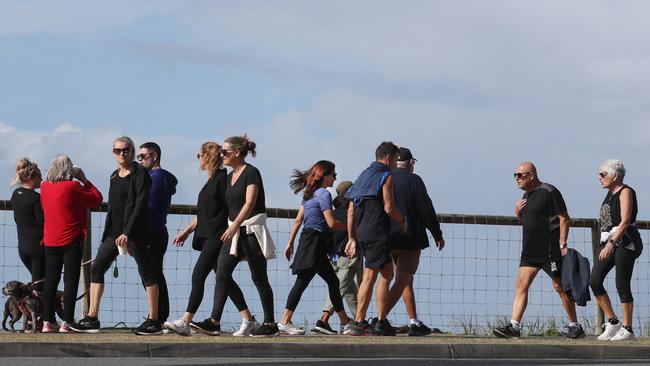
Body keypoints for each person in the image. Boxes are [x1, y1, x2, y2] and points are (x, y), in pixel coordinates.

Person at [70, 136, 162, 335]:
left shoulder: (141, 174)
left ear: (132, 151)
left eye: (126, 150)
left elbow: (140, 204)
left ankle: (154, 321)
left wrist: (128, 233)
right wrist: (106, 236)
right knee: (97, 269)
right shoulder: (113, 175)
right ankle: (92, 318)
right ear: (113, 153)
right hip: (113, 234)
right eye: (118, 150)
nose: (122, 153)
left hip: (135, 233)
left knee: (147, 273)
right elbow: (112, 208)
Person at [164, 142, 258, 336]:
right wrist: (187, 231)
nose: (197, 159)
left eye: (199, 155)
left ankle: (185, 321)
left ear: (207, 157)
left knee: (198, 274)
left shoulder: (222, 179)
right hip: (207, 235)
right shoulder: (211, 181)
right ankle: (249, 319)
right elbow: (205, 213)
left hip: (219, 235)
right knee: (224, 279)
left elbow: (231, 207)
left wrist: (233, 228)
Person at [493, 161, 585, 339]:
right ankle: (514, 326)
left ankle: (575, 326)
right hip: (530, 251)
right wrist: (518, 213)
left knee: (559, 286)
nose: (517, 179)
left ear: (531, 175)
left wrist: (562, 243)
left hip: (549, 249)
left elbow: (564, 218)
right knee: (521, 284)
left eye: (520, 175)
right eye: (515, 176)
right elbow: (529, 222)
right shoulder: (526, 196)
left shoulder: (549, 191)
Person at [212, 134, 279, 337]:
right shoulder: (228, 176)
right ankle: (215, 320)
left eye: (224, 152)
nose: (221, 155)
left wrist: (235, 227)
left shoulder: (251, 173)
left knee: (259, 277)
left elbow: (249, 203)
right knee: (222, 274)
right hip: (233, 230)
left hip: (250, 231)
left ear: (237, 153)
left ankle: (270, 323)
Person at [280, 161, 353, 335]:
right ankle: (284, 322)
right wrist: (352, 230)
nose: (335, 178)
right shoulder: (323, 194)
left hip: (311, 241)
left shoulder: (309, 194)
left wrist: (290, 243)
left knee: (333, 281)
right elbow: (331, 222)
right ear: (324, 176)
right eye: (333, 175)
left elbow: (298, 220)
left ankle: (345, 323)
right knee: (302, 282)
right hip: (314, 242)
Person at [344, 141, 408, 336]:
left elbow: (351, 210)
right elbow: (389, 208)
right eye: (396, 159)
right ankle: (363, 322)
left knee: (385, 272)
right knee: (373, 276)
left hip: (362, 232)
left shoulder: (363, 176)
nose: (396, 163)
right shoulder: (385, 176)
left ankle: (379, 320)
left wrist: (351, 238)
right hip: (377, 232)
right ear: (388, 157)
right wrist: (402, 219)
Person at [40, 155, 103, 333]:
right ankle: (66, 321)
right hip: (71, 238)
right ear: (69, 170)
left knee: (51, 279)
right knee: (71, 280)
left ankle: (47, 321)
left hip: (50, 239)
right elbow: (96, 198)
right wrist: (84, 179)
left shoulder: (44, 187)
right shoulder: (72, 186)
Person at [386, 147, 445, 336]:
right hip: (409, 238)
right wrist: (437, 233)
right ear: (411, 163)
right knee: (403, 279)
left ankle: (413, 321)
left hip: (386, 237)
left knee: (405, 281)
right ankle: (380, 318)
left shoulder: (385, 179)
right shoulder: (414, 180)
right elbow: (425, 209)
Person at [590, 159, 642, 341]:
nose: (599, 178)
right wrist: (606, 244)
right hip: (609, 241)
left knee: (622, 283)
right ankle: (613, 322)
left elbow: (625, 221)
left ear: (615, 176)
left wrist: (612, 243)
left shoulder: (625, 191)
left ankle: (628, 329)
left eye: (603, 174)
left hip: (626, 242)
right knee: (594, 280)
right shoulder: (610, 194)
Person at [313, 181, 363, 335]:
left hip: (332, 256)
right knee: (341, 286)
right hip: (349, 255)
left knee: (348, 290)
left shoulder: (332, 213)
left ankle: (358, 321)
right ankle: (324, 319)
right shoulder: (355, 212)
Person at [137, 142, 178, 324]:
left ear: (154, 156)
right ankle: (159, 313)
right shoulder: (155, 177)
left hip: (153, 232)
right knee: (152, 272)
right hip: (155, 231)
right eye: (139, 157)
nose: (140, 160)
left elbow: (149, 205)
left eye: (143, 156)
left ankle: (159, 314)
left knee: (151, 273)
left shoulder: (157, 177)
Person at [10, 158, 45, 294]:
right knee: (40, 286)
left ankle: (38, 313)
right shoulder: (35, 198)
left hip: (23, 247)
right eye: (40, 177)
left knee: (38, 281)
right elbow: (42, 222)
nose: (41, 180)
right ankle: (39, 314)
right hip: (37, 247)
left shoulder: (15, 194)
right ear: (32, 178)